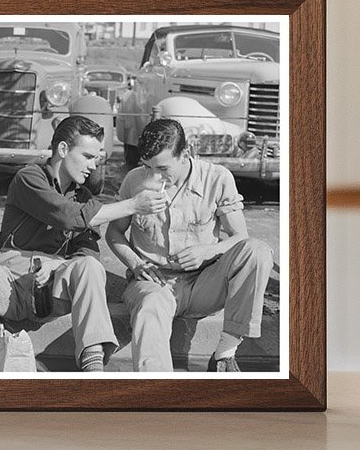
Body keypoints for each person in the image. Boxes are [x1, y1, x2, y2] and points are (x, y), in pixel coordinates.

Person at [0, 115, 166, 373]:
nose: (93, 166)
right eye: (88, 156)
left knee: (90, 266)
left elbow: (87, 250)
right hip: (7, 280)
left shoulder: (84, 196)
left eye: (96, 158)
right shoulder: (29, 178)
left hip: (48, 292)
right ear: (63, 149)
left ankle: (93, 369)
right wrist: (133, 205)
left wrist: (55, 265)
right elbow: (66, 215)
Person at [106, 118, 274, 373]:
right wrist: (136, 263)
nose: (154, 177)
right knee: (149, 307)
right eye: (147, 167)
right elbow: (114, 233)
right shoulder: (133, 180)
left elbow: (240, 236)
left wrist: (209, 251)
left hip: (204, 284)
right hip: (154, 284)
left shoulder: (217, 178)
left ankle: (225, 354)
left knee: (258, 251)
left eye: (162, 168)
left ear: (185, 153)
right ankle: (156, 395)